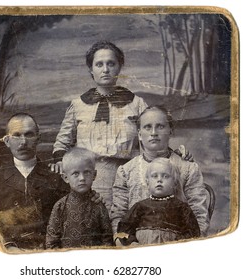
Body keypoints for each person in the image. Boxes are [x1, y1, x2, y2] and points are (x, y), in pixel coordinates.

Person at [51, 41, 148, 212]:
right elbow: (61, 144)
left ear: (119, 67)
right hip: (88, 180)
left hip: (129, 178)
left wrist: (176, 154)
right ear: (91, 69)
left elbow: (151, 138)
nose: (105, 69)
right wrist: (60, 161)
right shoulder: (78, 105)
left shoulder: (136, 103)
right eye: (99, 64)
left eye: (111, 63)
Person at [111, 106, 209, 238]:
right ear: (139, 134)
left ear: (171, 130)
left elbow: (199, 215)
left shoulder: (188, 168)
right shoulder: (126, 171)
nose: (153, 132)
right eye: (147, 127)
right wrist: (125, 243)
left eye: (160, 126)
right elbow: (118, 215)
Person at [0, 113, 70, 250]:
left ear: (38, 138)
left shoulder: (55, 176)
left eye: (29, 134)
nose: (23, 142)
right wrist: (7, 246)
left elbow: (68, 219)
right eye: (16, 135)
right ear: (7, 141)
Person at [116, 158, 200, 246]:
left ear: (174, 183)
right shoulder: (140, 206)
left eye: (165, 176)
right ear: (147, 183)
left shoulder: (182, 207)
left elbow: (193, 232)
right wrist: (132, 242)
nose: (159, 180)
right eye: (154, 176)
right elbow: (124, 228)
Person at [46, 147, 114, 249]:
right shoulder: (60, 206)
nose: (82, 178)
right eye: (75, 174)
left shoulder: (98, 205)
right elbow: (51, 240)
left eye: (86, 172)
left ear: (94, 175)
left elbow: (107, 238)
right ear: (65, 178)